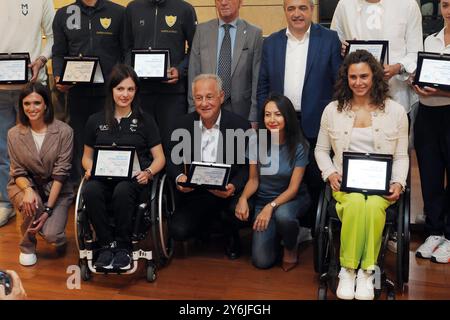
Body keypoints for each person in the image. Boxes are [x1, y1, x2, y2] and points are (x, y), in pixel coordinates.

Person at [315, 50, 409, 300]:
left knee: (372, 206)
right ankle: (348, 269)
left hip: (381, 184)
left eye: (364, 76)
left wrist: (399, 182)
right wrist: (330, 173)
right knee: (356, 202)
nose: (358, 82)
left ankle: (367, 272)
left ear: (375, 76)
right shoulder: (332, 110)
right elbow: (321, 150)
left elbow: (401, 156)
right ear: (346, 78)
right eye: (353, 76)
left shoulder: (396, 111)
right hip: (346, 182)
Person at [256, 0, 342, 230]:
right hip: (281, 122)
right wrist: (261, 120)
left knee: (315, 175)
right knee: (285, 174)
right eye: (291, 8)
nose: (297, 14)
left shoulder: (329, 39)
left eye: (302, 8)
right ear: (284, 10)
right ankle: (290, 225)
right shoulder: (272, 42)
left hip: (317, 121)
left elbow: (339, 83)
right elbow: (263, 84)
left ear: (311, 10)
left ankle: (317, 228)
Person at [82, 64, 165, 270]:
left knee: (122, 189)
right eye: (120, 89)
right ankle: (105, 245)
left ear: (136, 91)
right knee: (90, 189)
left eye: (130, 89)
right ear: (111, 90)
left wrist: (148, 172)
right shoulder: (95, 120)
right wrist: (90, 168)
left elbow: (160, 158)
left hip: (134, 182)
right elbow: (86, 157)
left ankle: (123, 246)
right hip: (103, 179)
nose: (125, 94)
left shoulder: (146, 121)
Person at [167, 74, 251, 260]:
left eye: (209, 97)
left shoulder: (240, 126)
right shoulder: (182, 125)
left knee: (237, 215)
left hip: (227, 193)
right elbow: (172, 160)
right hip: (195, 193)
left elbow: (247, 168)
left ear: (221, 96)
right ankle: (204, 228)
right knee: (178, 231)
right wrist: (179, 178)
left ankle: (231, 235)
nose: (204, 103)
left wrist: (233, 187)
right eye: (199, 98)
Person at [52, 0, 126, 185]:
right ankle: (81, 187)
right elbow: (59, 52)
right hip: (78, 91)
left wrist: (123, 80)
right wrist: (59, 74)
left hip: (110, 93)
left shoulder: (118, 13)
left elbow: (126, 51)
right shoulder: (64, 14)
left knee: (111, 137)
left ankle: (112, 184)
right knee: (80, 140)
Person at [235, 93, 310, 271]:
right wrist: (243, 198)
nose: (272, 119)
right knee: (261, 262)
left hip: (293, 200)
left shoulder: (300, 145)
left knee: (283, 215)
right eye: (267, 115)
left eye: (277, 114)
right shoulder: (256, 142)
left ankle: (291, 244)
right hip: (264, 201)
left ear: (287, 116)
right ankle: (279, 234)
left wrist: (271, 207)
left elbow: (293, 189)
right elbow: (253, 180)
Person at [0, 0, 55, 227]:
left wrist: (41, 60)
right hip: (1, 90)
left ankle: (42, 201)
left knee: (38, 148)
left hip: (32, 87)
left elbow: (53, 36)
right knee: (3, 149)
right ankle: (5, 203)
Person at [7, 83, 74, 267]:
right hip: (24, 185)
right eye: (26, 103)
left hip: (56, 187)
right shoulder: (13, 134)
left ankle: (47, 228)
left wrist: (48, 211)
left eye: (37, 103)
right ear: (21, 106)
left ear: (46, 105)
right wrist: (28, 190)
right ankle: (27, 246)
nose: (31, 108)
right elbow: (17, 171)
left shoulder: (64, 132)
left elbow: (61, 174)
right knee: (31, 202)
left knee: (53, 234)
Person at [123, 0, 197, 150]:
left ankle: (173, 175)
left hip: (172, 94)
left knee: (172, 144)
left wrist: (180, 69)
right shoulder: (133, 8)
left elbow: (195, 48)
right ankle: (146, 174)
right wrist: (131, 70)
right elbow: (126, 46)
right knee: (141, 142)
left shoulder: (185, 9)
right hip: (141, 93)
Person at [331, 0, 423, 114]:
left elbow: (415, 52)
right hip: (355, 96)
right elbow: (333, 43)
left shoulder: (408, 4)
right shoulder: (345, 5)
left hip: (395, 92)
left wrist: (397, 68)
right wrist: (342, 48)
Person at [413, 0, 450, 264]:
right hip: (427, 115)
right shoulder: (429, 40)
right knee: (430, 176)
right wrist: (415, 82)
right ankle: (434, 232)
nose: (449, 11)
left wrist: (443, 90)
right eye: (446, 5)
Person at [188, 0, 263, 126]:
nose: (223, 3)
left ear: (240, 2)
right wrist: (192, 112)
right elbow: (193, 73)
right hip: (207, 108)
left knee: (237, 145)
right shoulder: (202, 31)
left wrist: (253, 117)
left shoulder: (253, 33)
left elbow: (257, 79)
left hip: (241, 112)